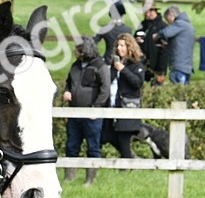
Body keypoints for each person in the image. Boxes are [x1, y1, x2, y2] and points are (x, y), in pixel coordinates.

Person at [62, 36, 110, 187]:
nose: (75, 51)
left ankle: (90, 179)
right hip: (74, 113)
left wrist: (96, 108)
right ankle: (70, 178)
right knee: (71, 145)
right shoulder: (75, 66)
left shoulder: (100, 66)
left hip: (92, 115)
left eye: (77, 48)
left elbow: (105, 89)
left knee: (93, 146)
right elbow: (68, 83)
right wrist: (67, 92)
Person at [102, 32, 147, 163]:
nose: (119, 48)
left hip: (127, 107)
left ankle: (127, 164)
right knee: (106, 136)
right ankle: (130, 159)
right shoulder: (113, 64)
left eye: (122, 46)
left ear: (129, 47)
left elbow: (137, 83)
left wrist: (123, 70)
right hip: (111, 107)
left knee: (123, 138)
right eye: (117, 45)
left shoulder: (136, 64)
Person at [159, 5, 196, 85]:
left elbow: (165, 33)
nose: (168, 23)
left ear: (171, 15)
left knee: (178, 92)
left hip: (179, 65)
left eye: (167, 19)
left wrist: (156, 35)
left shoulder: (179, 24)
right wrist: (168, 46)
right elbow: (181, 44)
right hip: (187, 65)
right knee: (185, 92)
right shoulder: (189, 25)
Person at [136, 3, 168, 84]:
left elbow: (165, 50)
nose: (144, 14)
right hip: (142, 63)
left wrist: (161, 70)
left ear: (152, 11)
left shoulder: (162, 26)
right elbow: (135, 36)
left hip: (157, 64)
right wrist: (136, 40)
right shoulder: (143, 24)